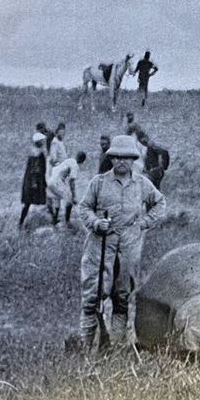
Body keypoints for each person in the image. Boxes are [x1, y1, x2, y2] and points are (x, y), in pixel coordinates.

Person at [77, 135, 166, 348]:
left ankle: (117, 346)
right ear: (111, 159)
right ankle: (86, 346)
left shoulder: (142, 183)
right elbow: (84, 208)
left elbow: (160, 203)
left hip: (128, 245)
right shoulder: (98, 183)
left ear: (133, 160)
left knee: (122, 297)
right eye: (117, 157)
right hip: (100, 245)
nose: (121, 161)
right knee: (92, 298)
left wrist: (143, 223)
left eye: (126, 157)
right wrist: (96, 222)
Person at [47, 151, 87, 226]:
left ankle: (54, 219)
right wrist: (74, 195)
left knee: (56, 198)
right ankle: (67, 221)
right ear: (82, 160)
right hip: (57, 181)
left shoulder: (70, 160)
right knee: (69, 200)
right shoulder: (75, 165)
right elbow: (71, 181)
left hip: (52, 179)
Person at [19, 133, 49, 228]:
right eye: (42, 141)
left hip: (29, 181)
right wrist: (35, 182)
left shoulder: (32, 152)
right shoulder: (38, 154)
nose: (44, 143)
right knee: (31, 202)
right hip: (35, 181)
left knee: (27, 203)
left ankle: (21, 221)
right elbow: (36, 170)